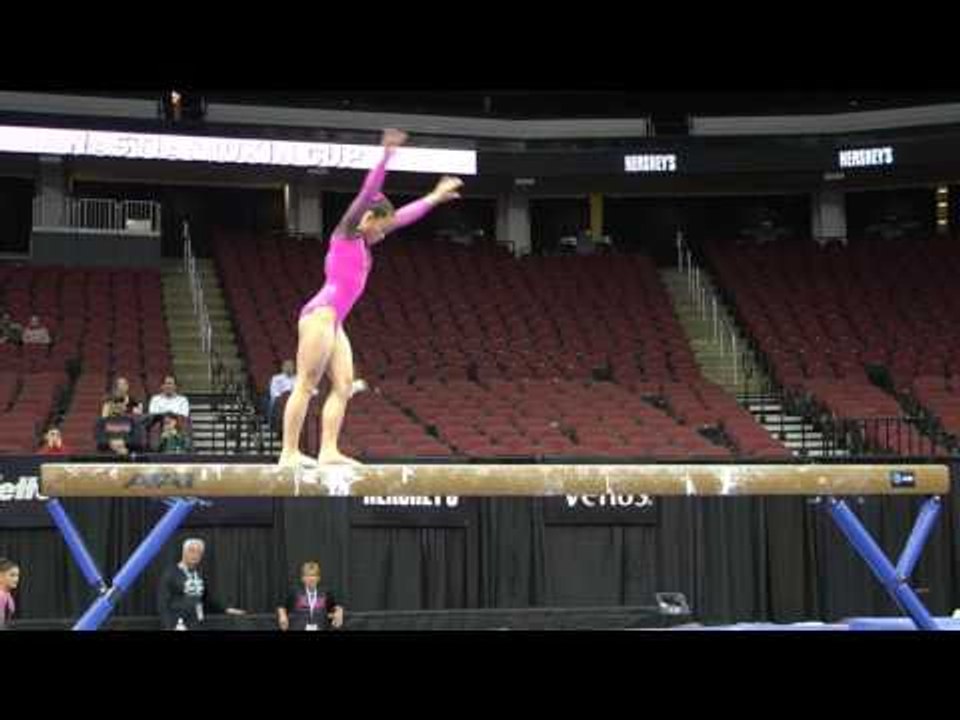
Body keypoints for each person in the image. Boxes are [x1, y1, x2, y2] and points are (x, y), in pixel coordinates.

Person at [279, 128, 463, 467]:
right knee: (306, 383)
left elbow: (402, 218)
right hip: (320, 314)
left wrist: (434, 197)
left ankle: (328, 450)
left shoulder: (365, 240)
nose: (384, 232)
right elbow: (368, 193)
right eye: (380, 227)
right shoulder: (347, 233)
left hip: (335, 321)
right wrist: (387, 155)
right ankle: (288, 452)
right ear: (367, 220)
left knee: (345, 384)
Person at [157, 539, 245, 630]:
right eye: (192, 551)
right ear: (184, 552)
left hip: (196, 622)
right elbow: (162, 605)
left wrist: (226, 610)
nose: (195, 555)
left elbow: (207, 598)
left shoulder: (199, 573)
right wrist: (170, 627)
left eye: (199, 553)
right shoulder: (170, 574)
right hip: (178, 624)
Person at [277, 561, 344, 632]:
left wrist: (339, 612)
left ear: (318, 578)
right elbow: (281, 605)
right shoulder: (295, 592)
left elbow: (336, 605)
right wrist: (282, 616)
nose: (311, 579)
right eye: (307, 576)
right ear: (302, 578)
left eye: (314, 575)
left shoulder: (325, 593)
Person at [0, 558, 20, 630]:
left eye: (17, 575)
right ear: (0, 576)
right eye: (12, 575)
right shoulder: (1, 596)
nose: (16, 579)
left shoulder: (7, 594)